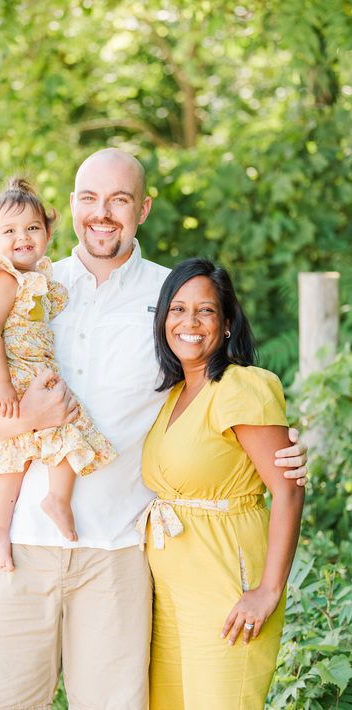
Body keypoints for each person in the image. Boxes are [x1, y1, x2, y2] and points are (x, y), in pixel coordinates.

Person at [0, 148, 308, 710]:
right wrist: (35, 417)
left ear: (142, 209)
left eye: (119, 199)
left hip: (120, 554)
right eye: (89, 198)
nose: (103, 213)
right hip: (17, 548)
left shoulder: (171, 300)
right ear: (69, 207)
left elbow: (216, 395)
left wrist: (280, 452)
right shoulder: (24, 286)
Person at [139, 257, 304, 709]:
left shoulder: (242, 386)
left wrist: (268, 589)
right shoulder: (172, 392)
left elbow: (288, 488)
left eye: (206, 311)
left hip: (226, 587)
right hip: (169, 593)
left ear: (227, 323)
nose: (189, 322)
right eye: (177, 309)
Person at [0, 176, 117, 570]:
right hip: (6, 372)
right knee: (66, 417)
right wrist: (4, 386)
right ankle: (57, 498)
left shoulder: (36, 276)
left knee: (14, 447)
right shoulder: (4, 276)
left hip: (22, 368)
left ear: (47, 233)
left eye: (32, 228)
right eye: (9, 231)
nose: (22, 237)